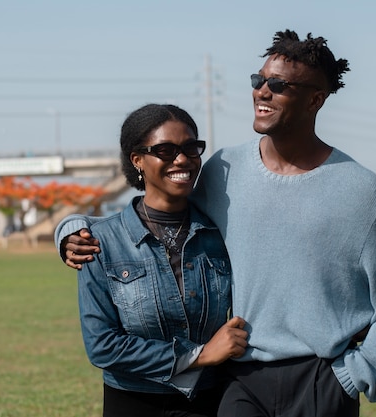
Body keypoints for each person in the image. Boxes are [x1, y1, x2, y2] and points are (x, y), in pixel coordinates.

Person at [57, 30, 376, 416]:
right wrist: (69, 228)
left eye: (278, 84)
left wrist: (357, 375)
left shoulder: (360, 190)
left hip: (322, 379)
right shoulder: (224, 171)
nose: (262, 91)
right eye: (258, 80)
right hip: (237, 380)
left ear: (315, 99)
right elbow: (154, 212)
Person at [63, 103, 248, 417]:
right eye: (165, 150)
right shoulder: (100, 243)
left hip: (210, 401)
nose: (182, 160)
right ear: (137, 159)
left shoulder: (221, 234)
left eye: (191, 148)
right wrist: (198, 356)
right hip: (133, 402)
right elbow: (102, 345)